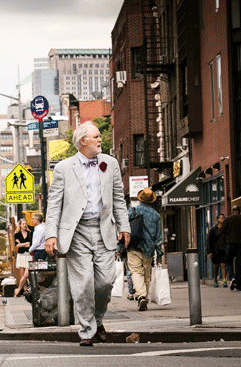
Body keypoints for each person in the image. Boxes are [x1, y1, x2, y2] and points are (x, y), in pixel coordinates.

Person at [44, 121, 130, 347]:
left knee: (105, 283)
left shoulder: (110, 164)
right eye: (96, 136)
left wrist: (125, 226)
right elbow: (54, 204)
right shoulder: (63, 168)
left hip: (104, 230)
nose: (100, 139)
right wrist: (50, 234)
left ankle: (97, 320)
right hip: (77, 232)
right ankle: (86, 331)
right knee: (83, 285)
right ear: (83, 141)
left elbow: (119, 199)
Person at [117, 188, 163, 312]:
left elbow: (123, 230)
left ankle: (141, 296)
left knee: (136, 272)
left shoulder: (132, 211)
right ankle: (144, 298)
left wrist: (119, 248)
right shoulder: (156, 215)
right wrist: (159, 254)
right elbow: (158, 237)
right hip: (149, 248)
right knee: (146, 275)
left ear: (140, 199)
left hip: (133, 246)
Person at [222, 205, 241, 291]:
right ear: (239, 211)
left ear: (232, 211)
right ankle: (239, 284)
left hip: (230, 244)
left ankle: (232, 277)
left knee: (228, 261)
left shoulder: (228, 219)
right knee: (239, 263)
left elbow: (222, 231)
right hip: (240, 244)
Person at [207, 213, 228, 287]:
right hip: (215, 250)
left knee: (223, 265)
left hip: (224, 249)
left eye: (224, 218)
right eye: (222, 218)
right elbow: (209, 240)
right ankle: (215, 280)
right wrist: (209, 251)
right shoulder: (213, 229)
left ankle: (224, 280)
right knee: (216, 266)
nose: (223, 219)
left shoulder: (226, 228)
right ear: (218, 219)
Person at [13, 218, 32, 297]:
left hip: (29, 255)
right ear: (20, 225)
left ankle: (18, 289)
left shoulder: (30, 233)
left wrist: (22, 244)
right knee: (23, 274)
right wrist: (26, 243)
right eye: (23, 224)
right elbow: (17, 246)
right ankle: (25, 291)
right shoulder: (16, 234)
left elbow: (30, 244)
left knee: (26, 274)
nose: (25, 225)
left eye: (25, 223)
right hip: (21, 255)